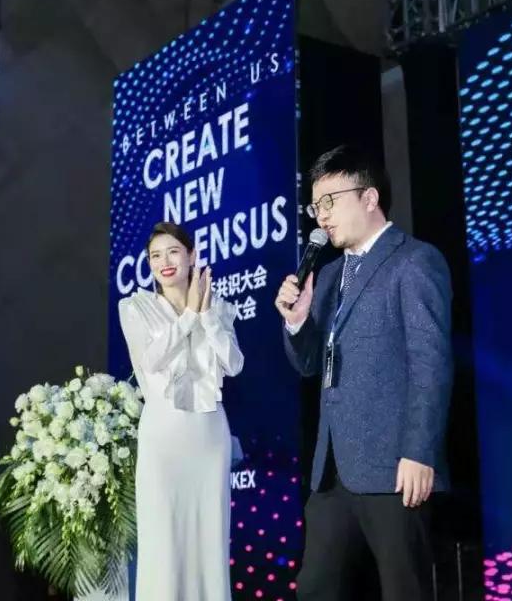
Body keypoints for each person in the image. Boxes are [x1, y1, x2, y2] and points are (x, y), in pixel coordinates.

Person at [274, 144, 454, 601]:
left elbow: (431, 364)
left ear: (369, 198)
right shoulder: (328, 276)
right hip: (332, 472)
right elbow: (309, 364)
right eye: (316, 206)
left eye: (330, 202)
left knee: (404, 590)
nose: (321, 216)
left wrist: (419, 452)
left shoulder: (414, 261)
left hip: (396, 468)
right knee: (315, 588)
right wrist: (297, 322)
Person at [117, 221, 244, 601]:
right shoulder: (134, 307)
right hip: (163, 439)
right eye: (155, 256)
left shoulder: (218, 307)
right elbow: (151, 360)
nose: (164, 262)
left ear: (191, 256)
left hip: (209, 437)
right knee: (163, 544)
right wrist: (188, 315)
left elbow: (234, 364)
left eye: (173, 252)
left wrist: (205, 317)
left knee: (210, 541)